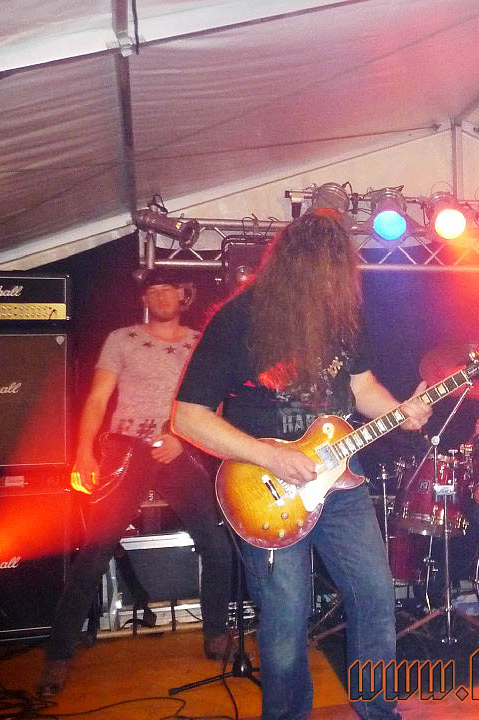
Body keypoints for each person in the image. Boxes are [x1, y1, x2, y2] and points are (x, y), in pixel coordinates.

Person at [172, 211, 432, 720]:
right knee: (286, 614)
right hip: (266, 488)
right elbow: (187, 417)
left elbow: (360, 387)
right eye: (327, 274)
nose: (336, 286)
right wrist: (271, 455)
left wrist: (402, 413)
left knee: (375, 594)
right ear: (295, 269)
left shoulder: (342, 319)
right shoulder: (240, 319)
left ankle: (379, 711)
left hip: (340, 483)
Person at [38, 270, 233, 697]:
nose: (161, 296)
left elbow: (213, 402)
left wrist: (183, 439)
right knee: (95, 551)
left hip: (176, 447)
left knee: (217, 546)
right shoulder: (121, 339)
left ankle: (217, 635)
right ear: (145, 298)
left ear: (184, 296)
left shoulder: (200, 341)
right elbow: (97, 398)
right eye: (153, 290)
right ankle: (58, 657)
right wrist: (84, 452)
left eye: (169, 290)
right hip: (125, 448)